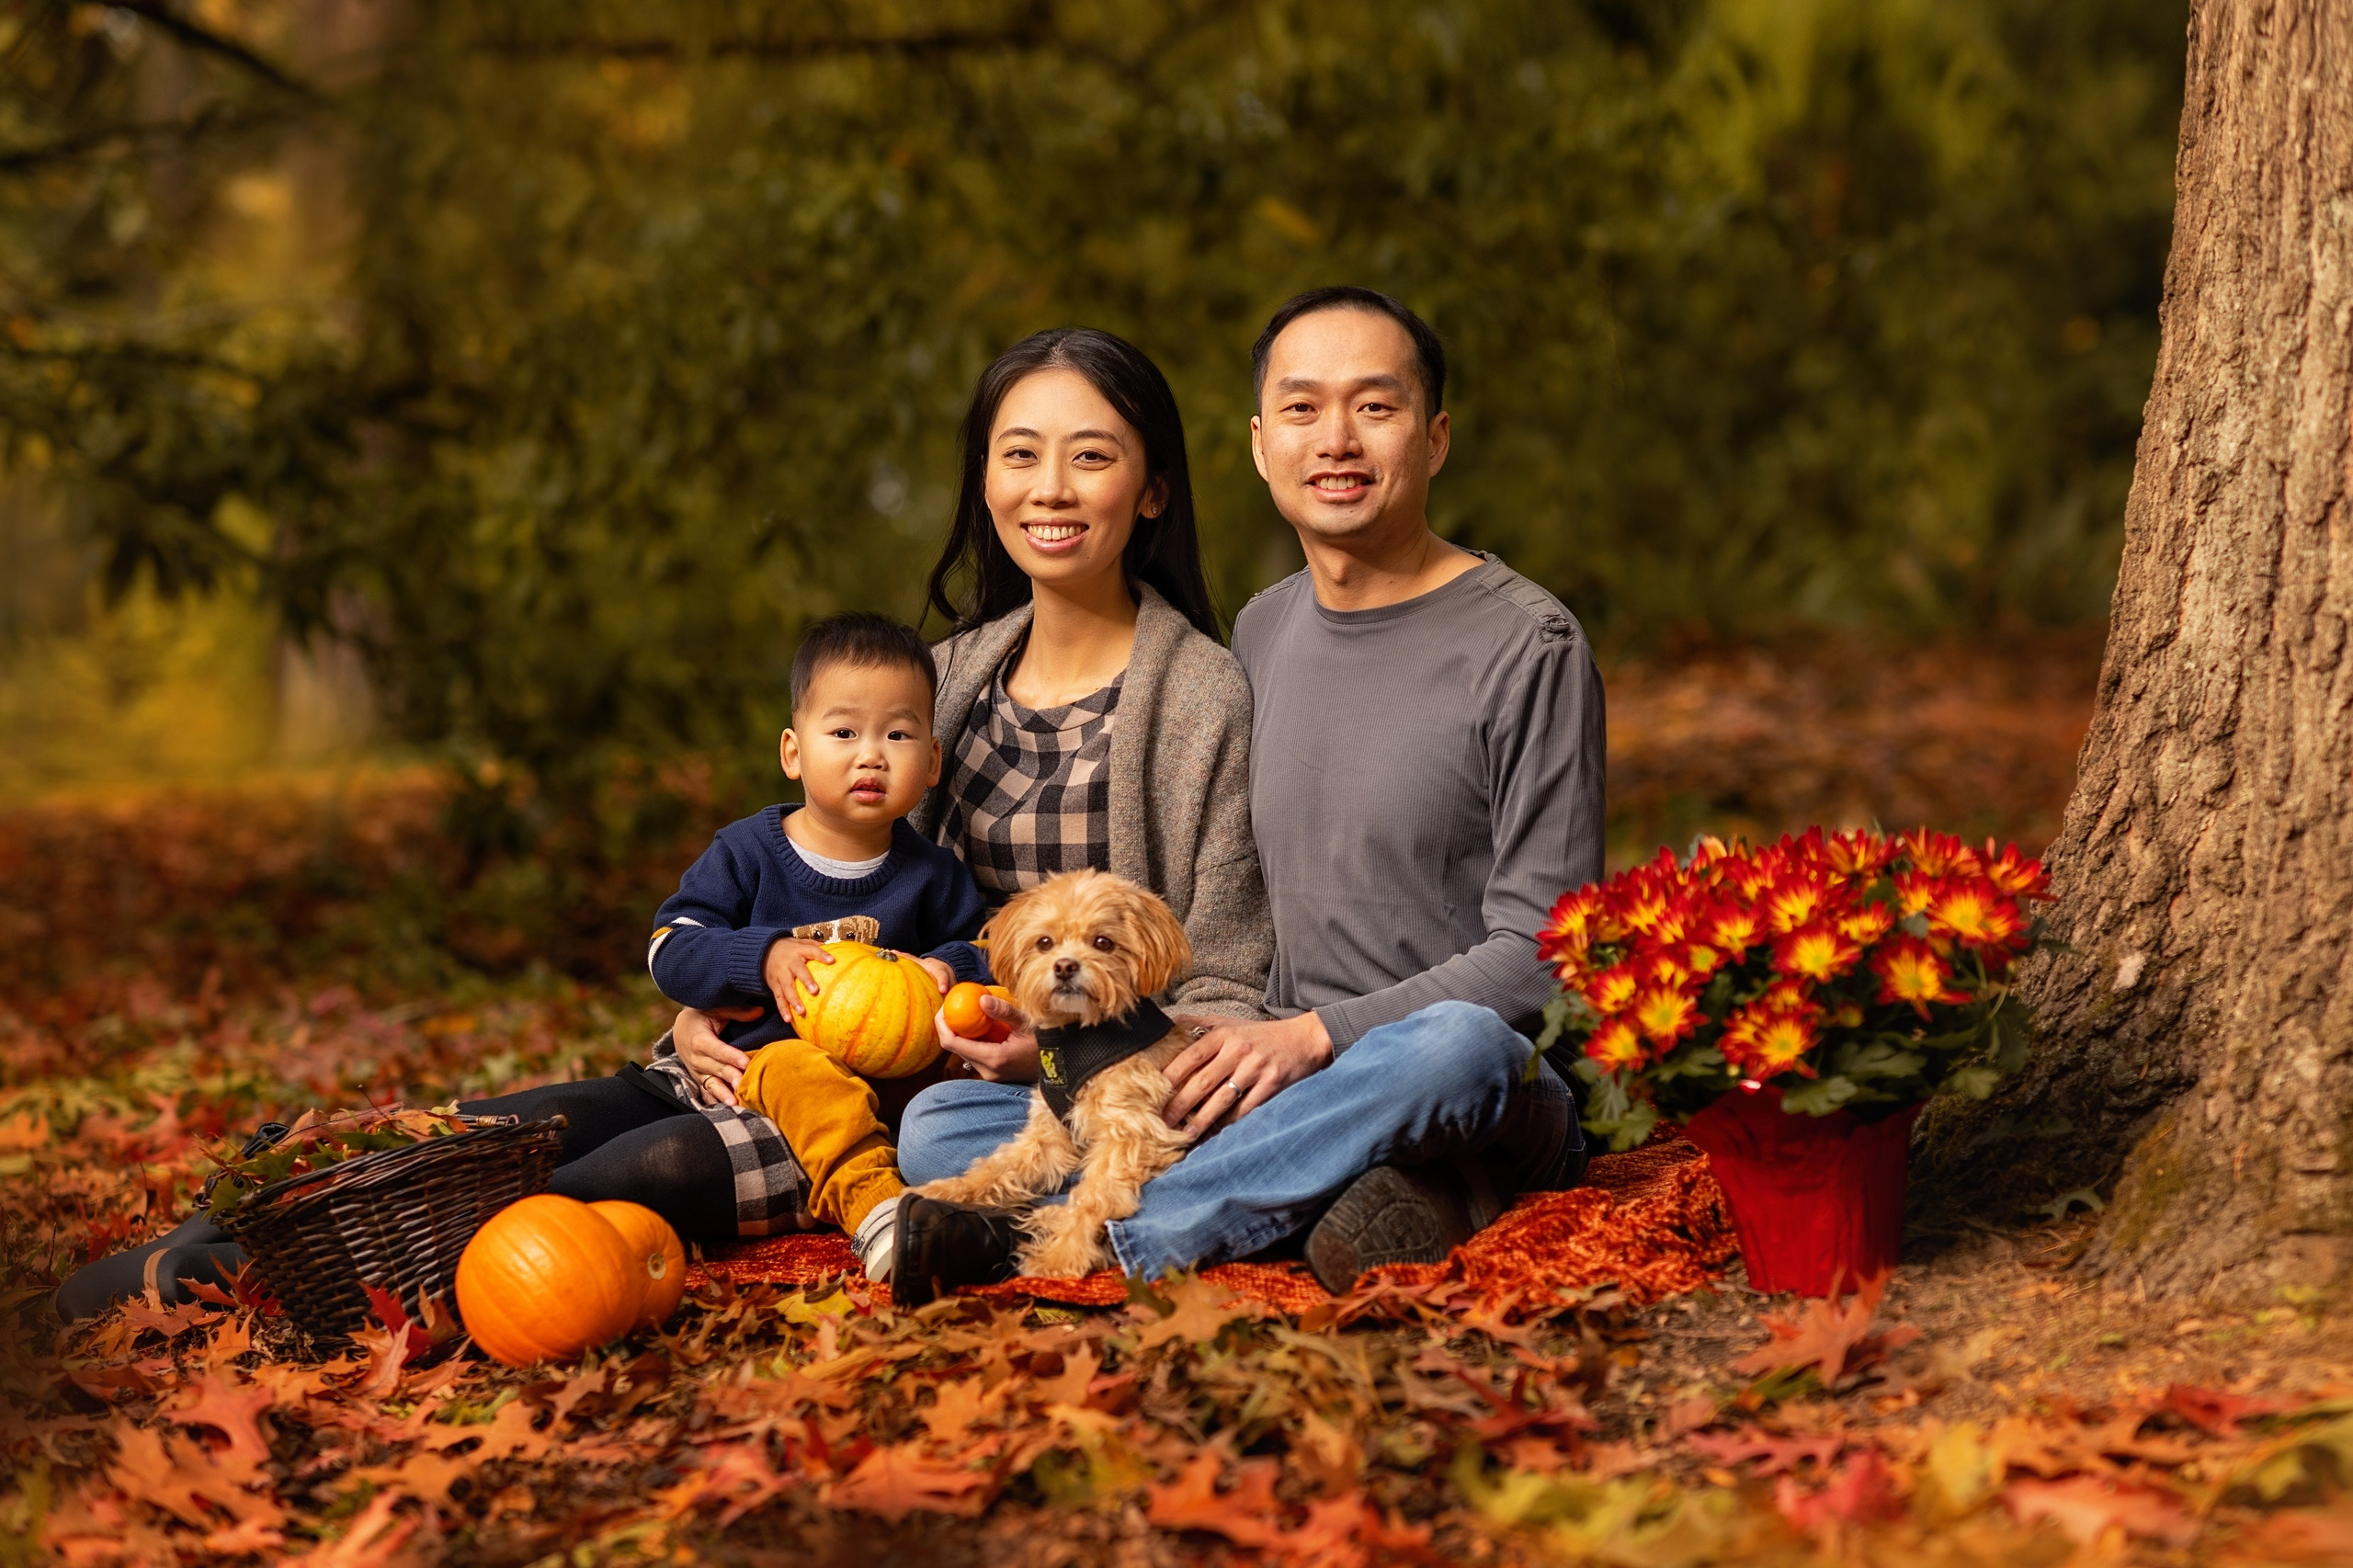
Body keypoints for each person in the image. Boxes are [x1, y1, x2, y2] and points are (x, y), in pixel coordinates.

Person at [892, 288, 1601, 1298]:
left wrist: (1318, 1036)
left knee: (1459, 1045)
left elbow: (1543, 952)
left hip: (1431, 1064)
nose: (1337, 439)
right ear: (1263, 447)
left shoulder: (1529, 644)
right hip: (1259, 1067)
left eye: (1375, 406)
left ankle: (1113, 1234)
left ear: (1435, 438)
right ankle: (1346, 1189)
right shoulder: (1264, 630)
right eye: (1303, 408)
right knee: (941, 1122)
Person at [665, 326, 1274, 1285]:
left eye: (1091, 457)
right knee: (895, 1125)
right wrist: (714, 1007)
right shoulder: (942, 680)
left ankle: (1092, 1204)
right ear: (986, 480)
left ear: (1153, 489)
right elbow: (850, 887)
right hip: (929, 1068)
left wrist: (1068, 1056)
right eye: (1020, 454)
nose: (1051, 489)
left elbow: (1228, 970)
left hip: (1122, 1073)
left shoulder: (1206, 695)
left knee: (925, 1137)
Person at [645, 611, 990, 1282]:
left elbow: (984, 951)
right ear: (793, 752)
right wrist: (760, 957)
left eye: (897, 734)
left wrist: (947, 966)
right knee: (799, 1070)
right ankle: (876, 1207)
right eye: (843, 732)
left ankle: (928, 1205)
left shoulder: (934, 874)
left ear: (931, 762)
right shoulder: (746, 852)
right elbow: (669, 949)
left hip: (886, 1079)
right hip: (765, 1067)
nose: (871, 755)